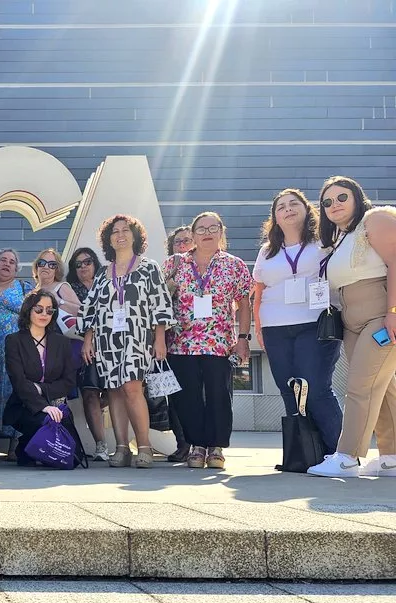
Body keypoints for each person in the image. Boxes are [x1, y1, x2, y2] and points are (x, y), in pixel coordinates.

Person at [308, 182, 396, 477]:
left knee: (360, 385)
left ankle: (347, 456)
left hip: (379, 313)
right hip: (351, 319)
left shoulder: (376, 219)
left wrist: (393, 312)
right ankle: (392, 457)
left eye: (342, 197)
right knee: (383, 388)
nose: (335, 204)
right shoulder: (342, 238)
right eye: (327, 202)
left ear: (358, 197)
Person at [252, 189, 342, 456]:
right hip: (274, 327)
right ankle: (303, 453)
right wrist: (258, 328)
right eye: (281, 207)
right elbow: (258, 291)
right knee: (288, 389)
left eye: (294, 204)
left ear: (307, 210)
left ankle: (339, 453)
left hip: (315, 323)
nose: (288, 209)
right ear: (275, 218)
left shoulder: (325, 242)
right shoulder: (267, 251)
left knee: (315, 388)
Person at [82, 214, 174, 469]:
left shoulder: (148, 267)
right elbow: (92, 309)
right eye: (114, 231)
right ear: (108, 239)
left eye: (125, 230)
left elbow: (161, 305)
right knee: (113, 391)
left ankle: (143, 446)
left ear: (135, 236)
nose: (120, 235)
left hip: (138, 337)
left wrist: (160, 339)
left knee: (133, 388)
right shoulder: (102, 274)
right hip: (107, 338)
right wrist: (88, 339)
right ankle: (121, 447)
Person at [163, 212, 252, 470]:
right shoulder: (175, 263)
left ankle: (216, 446)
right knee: (187, 397)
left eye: (213, 227)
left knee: (218, 394)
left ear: (221, 232)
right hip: (180, 342)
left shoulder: (234, 265)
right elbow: (159, 301)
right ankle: (196, 445)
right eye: (201, 229)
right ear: (192, 234)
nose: (207, 233)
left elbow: (244, 304)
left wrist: (243, 338)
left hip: (219, 342)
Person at [4, 289, 78, 464]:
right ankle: (27, 446)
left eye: (49, 310)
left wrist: (41, 389)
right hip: (24, 406)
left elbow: (69, 382)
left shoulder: (62, 342)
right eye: (39, 309)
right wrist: (43, 407)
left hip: (57, 406)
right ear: (28, 310)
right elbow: (19, 382)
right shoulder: (14, 341)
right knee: (45, 421)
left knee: (72, 459)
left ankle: (28, 446)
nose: (44, 314)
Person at [0, 248, 34, 454]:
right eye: (2, 260)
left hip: (16, 352)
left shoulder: (24, 288)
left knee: (16, 392)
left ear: (16, 268)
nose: (6, 264)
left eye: (12, 262)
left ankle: (15, 446)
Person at [66, 246, 109, 459]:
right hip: (84, 347)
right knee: (90, 394)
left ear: (95, 263)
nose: (83, 267)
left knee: (117, 392)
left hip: (114, 347)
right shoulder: (70, 289)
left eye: (87, 262)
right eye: (78, 264)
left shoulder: (108, 283)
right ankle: (101, 446)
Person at [161, 226, 195, 462]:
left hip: (205, 341)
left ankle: (204, 444)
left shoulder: (211, 266)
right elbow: (157, 302)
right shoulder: (167, 269)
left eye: (187, 241)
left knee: (200, 395)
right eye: (177, 242)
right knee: (173, 397)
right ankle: (182, 443)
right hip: (173, 341)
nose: (182, 246)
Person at [32, 248, 82, 315]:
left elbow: (81, 311)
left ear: (57, 270)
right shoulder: (34, 290)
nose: (46, 267)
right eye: (42, 263)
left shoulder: (62, 287)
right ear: (36, 267)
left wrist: (59, 301)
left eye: (52, 265)